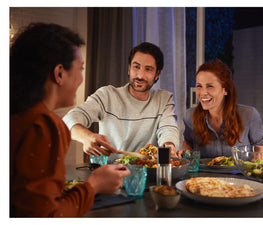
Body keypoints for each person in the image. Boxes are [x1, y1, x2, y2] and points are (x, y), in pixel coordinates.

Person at [10, 23, 130, 217]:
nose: (82, 79)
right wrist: (94, 185)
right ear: (59, 73)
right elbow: (46, 216)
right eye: (80, 68)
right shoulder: (44, 125)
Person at [63, 42, 179, 160]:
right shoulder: (107, 95)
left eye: (148, 69)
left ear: (157, 74)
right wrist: (87, 137)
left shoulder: (164, 99)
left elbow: (168, 130)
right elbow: (69, 120)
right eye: (136, 67)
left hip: (146, 173)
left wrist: (169, 148)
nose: (140, 75)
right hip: (109, 172)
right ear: (129, 69)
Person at [178, 59, 263, 159]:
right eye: (199, 86)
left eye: (210, 86)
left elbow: (260, 149)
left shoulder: (249, 115)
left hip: (240, 174)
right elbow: (188, 142)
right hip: (204, 174)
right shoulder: (189, 116)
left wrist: (256, 170)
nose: (203, 93)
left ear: (225, 89)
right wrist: (186, 153)